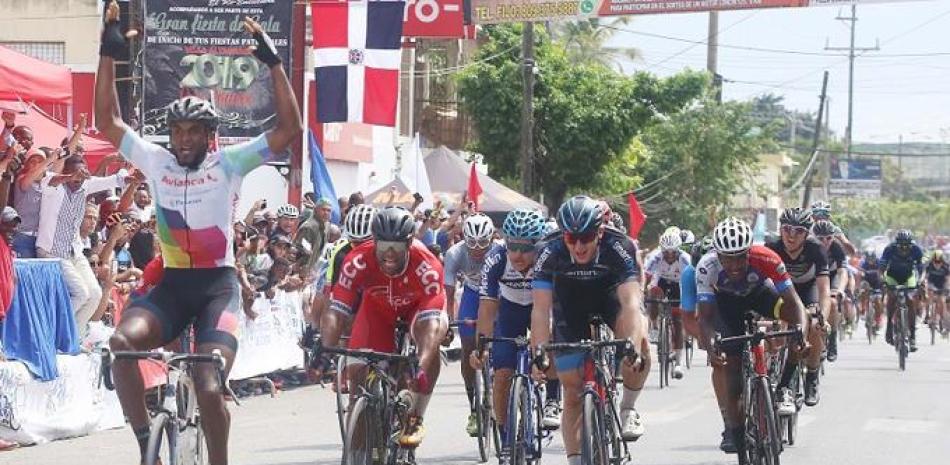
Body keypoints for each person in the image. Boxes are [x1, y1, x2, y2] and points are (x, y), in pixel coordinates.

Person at [95, 2, 303, 463]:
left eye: (193, 132)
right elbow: (107, 123)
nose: (183, 139)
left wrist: (272, 62)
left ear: (209, 136)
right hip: (172, 284)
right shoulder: (155, 160)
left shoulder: (229, 164)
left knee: (209, 382)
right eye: (177, 131)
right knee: (121, 345)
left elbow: (290, 129)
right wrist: (107, 53)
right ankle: (146, 439)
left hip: (216, 287)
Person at [530, 196, 651, 465]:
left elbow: (631, 303)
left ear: (599, 232)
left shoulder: (619, 246)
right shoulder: (548, 250)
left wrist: (630, 344)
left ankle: (628, 407)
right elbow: (540, 308)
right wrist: (539, 351)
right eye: (571, 238)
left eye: (586, 237)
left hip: (609, 298)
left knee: (640, 342)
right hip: (569, 304)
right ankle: (575, 460)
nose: (579, 245)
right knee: (572, 392)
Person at [317, 206, 448, 448]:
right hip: (378, 310)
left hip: (418, 310)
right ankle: (359, 450)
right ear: (374, 241)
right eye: (383, 246)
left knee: (427, 350)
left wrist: (420, 364)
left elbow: (431, 326)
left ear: (409, 243)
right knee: (358, 384)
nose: (389, 254)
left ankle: (415, 415)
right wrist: (324, 349)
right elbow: (336, 310)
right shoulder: (357, 260)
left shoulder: (427, 266)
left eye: (397, 247)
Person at [696, 217, 808, 455]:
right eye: (728, 258)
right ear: (718, 255)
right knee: (733, 377)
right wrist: (711, 346)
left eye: (740, 257)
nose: (735, 265)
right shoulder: (707, 267)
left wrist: (801, 335)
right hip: (727, 308)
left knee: (794, 318)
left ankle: (783, 383)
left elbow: (795, 303)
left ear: (750, 251)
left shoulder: (767, 257)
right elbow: (704, 318)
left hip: (760, 295)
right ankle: (738, 442)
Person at [470, 208, 562, 445]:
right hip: (510, 311)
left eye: (526, 248)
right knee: (501, 375)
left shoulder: (547, 257)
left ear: (538, 245)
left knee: (551, 345)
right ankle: (505, 438)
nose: (518, 255)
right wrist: (481, 347)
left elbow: (557, 304)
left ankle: (552, 398)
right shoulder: (497, 258)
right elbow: (487, 308)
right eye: (513, 246)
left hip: (540, 308)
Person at [36, 155, 129, 337]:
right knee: (81, 293)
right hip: (51, 252)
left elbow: (115, 179)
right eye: (75, 173)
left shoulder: (85, 185)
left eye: (82, 173)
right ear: (66, 171)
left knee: (94, 294)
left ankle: (74, 339)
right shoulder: (52, 186)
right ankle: (52, 334)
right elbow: (51, 179)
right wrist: (70, 177)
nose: (79, 178)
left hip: (74, 251)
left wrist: (131, 177)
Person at [765, 208, 829, 408]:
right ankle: (769, 367)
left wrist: (823, 318)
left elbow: (824, 289)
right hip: (782, 290)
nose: (791, 236)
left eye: (798, 231)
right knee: (772, 324)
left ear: (807, 234)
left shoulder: (815, 249)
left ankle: (811, 375)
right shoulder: (772, 247)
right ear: (780, 229)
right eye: (787, 229)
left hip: (807, 290)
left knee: (814, 325)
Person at [443, 212, 496, 436]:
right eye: (471, 242)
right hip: (472, 294)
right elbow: (449, 290)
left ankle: (495, 379)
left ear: (492, 238)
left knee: (496, 340)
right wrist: (447, 320)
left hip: (496, 294)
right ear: (464, 238)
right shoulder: (455, 253)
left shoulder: (499, 251)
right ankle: (474, 407)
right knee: (467, 346)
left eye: (483, 242)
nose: (477, 248)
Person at [643, 228, 691, 380]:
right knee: (653, 291)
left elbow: (689, 282)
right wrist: (643, 292)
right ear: (662, 251)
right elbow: (646, 276)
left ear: (678, 251)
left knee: (678, 322)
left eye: (673, 253)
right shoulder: (656, 257)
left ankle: (677, 362)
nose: (669, 256)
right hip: (662, 282)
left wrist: (686, 302)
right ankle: (655, 326)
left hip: (679, 285)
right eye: (666, 253)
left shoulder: (685, 259)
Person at [880, 229, 924, 352]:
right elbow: (881, 268)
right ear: (896, 244)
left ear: (911, 244)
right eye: (901, 246)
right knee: (892, 298)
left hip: (908, 277)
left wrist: (920, 281)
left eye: (906, 246)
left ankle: (913, 337)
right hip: (892, 277)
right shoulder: (889, 249)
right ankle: (889, 326)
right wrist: (883, 280)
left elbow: (922, 269)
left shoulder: (916, 249)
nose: (904, 248)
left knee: (910, 300)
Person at [811, 219, 849, 361]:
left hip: (832, 277)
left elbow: (843, 272)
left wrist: (840, 290)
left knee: (832, 303)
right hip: (815, 278)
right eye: (820, 238)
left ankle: (832, 339)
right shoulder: (809, 246)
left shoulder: (836, 248)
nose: (825, 241)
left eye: (829, 238)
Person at [859, 251, 885, 333]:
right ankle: (863, 309)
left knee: (878, 301)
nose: (870, 261)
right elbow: (861, 272)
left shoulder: (879, 263)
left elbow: (882, 274)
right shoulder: (864, 264)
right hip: (867, 283)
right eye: (869, 259)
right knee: (863, 291)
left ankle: (878, 319)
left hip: (877, 284)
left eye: (872, 259)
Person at [923, 250, 948, 334]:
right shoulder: (929, 266)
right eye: (935, 261)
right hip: (931, 284)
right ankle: (927, 315)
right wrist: (924, 284)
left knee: (942, 301)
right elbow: (925, 277)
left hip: (941, 286)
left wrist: (947, 287)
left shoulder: (946, 267)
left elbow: (948, 279)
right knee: (928, 297)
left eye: (939, 261)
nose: (937, 263)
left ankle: (942, 319)